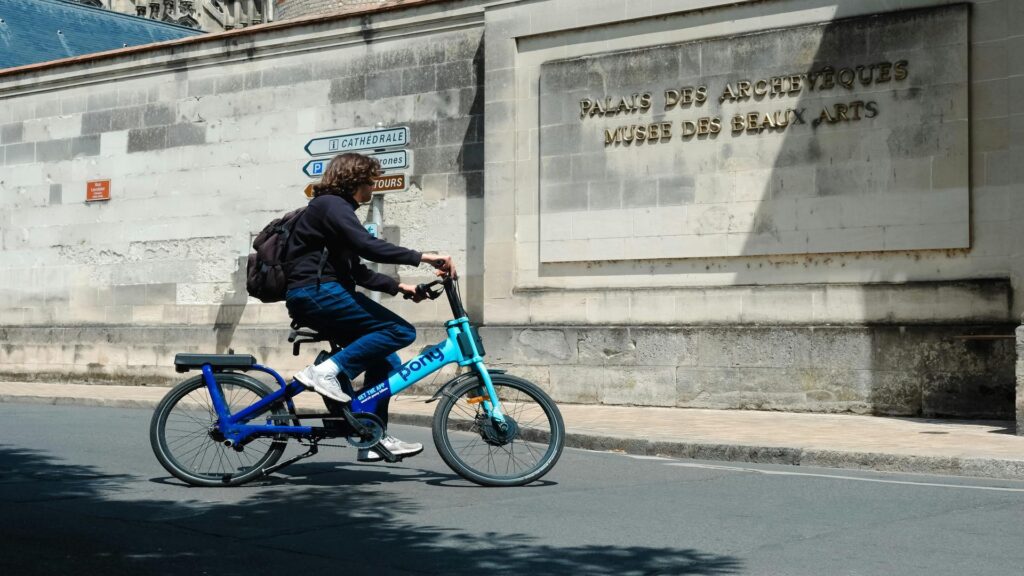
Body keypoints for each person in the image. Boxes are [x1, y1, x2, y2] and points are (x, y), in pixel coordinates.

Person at [283, 152, 454, 462]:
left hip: (322, 292)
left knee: (386, 361)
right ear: (355, 181)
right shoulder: (330, 205)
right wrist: (424, 257)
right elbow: (367, 245)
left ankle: (371, 437)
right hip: (317, 293)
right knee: (400, 331)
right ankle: (327, 372)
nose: (372, 189)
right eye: (370, 182)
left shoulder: (335, 210)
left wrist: (401, 287)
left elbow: (357, 270)